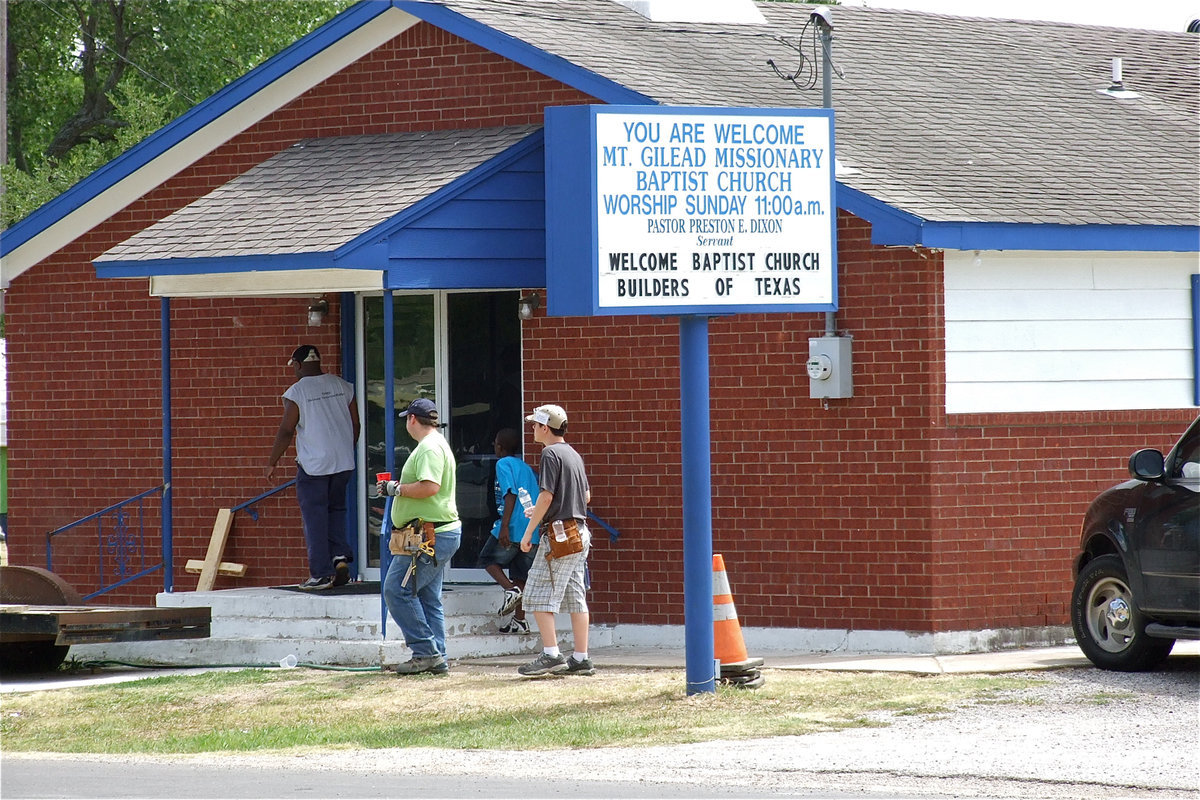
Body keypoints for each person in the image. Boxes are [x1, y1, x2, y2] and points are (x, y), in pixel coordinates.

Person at [377, 398, 461, 675]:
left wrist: (395, 490)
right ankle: (438, 655)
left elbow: (429, 487)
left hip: (428, 535)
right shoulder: (436, 444)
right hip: (434, 533)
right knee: (427, 597)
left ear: (413, 419)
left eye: (406, 418)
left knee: (396, 590)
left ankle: (425, 652)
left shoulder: (428, 448)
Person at [267, 344, 359, 591]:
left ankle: (320, 574)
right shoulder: (342, 385)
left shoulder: (297, 392)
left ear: (297, 365)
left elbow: (287, 429)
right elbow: (355, 424)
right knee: (336, 510)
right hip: (343, 463)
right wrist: (345, 450)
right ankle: (339, 557)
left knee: (315, 518)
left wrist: (272, 461)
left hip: (314, 467)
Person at [517, 404, 595, 677]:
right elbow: (585, 498)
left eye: (535, 425)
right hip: (580, 533)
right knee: (576, 597)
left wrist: (529, 531)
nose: (532, 429)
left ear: (545, 427)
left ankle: (551, 654)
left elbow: (547, 495)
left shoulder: (550, 453)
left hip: (559, 536)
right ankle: (581, 658)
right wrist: (544, 510)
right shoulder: (573, 454)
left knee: (535, 595)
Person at [479, 428, 540, 634]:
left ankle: (510, 590)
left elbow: (510, 494)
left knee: (487, 559)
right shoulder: (525, 467)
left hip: (513, 526)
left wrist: (504, 526)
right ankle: (519, 621)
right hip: (532, 529)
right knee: (520, 575)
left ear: (499, 446)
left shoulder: (503, 464)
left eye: (495, 443)